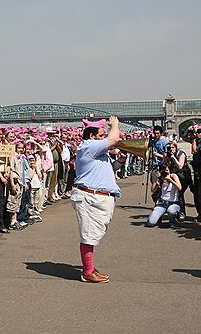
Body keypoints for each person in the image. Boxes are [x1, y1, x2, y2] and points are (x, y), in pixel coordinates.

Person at [71, 117, 121, 283]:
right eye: (101, 135)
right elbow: (113, 139)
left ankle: (90, 268)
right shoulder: (88, 146)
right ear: (91, 136)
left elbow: (110, 169)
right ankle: (87, 272)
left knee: (92, 234)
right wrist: (115, 125)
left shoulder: (97, 151)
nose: (104, 137)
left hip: (98, 197)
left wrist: (121, 160)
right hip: (90, 197)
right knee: (88, 235)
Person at [145, 164, 182, 229]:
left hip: (173, 203)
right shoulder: (160, 178)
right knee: (151, 223)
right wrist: (156, 182)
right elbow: (152, 190)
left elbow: (179, 188)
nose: (166, 172)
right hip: (162, 203)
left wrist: (171, 180)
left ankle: (173, 221)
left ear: (170, 170)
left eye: (167, 170)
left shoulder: (173, 176)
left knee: (171, 211)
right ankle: (157, 216)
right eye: (163, 171)